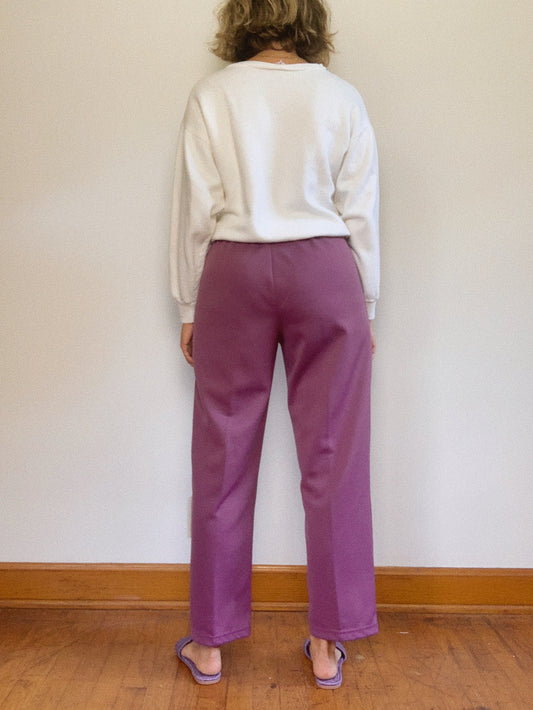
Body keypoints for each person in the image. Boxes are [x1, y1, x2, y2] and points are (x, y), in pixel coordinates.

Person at [169, 0, 379, 689]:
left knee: (222, 453)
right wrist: (365, 304)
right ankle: (326, 644)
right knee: (334, 456)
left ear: (241, 17)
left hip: (234, 269)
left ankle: (209, 644)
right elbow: (359, 209)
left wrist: (190, 302)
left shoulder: (214, 94)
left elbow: (195, 208)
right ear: (309, 18)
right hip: (325, 271)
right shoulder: (340, 96)